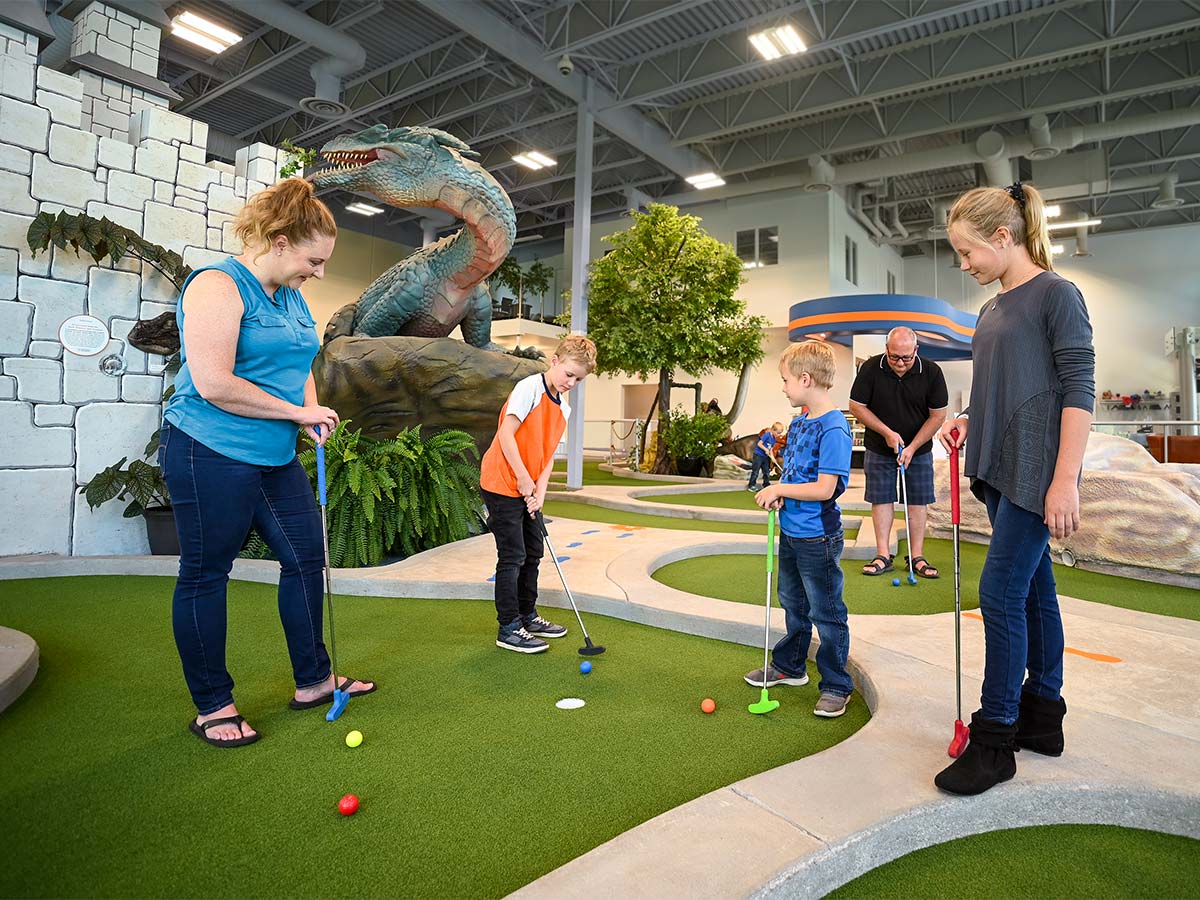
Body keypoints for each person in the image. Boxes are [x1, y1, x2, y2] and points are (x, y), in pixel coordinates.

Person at [161, 178, 376, 748]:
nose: (320, 273)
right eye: (315, 260)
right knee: (206, 575)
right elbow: (213, 383)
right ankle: (213, 705)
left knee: (307, 559)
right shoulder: (216, 286)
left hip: (274, 458)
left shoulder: (291, 296)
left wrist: (308, 410)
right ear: (280, 242)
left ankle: (313, 680)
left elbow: (299, 359)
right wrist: (293, 412)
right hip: (208, 450)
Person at [935, 181, 1095, 796]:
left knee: (998, 594)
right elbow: (1001, 381)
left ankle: (996, 738)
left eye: (969, 251)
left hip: (1038, 471)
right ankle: (1043, 715)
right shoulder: (992, 308)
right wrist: (969, 418)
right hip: (1000, 464)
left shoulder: (1058, 294)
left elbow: (1078, 392)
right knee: (1033, 594)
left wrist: (1064, 482)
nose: (965, 264)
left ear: (1004, 236)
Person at [745, 341, 855, 718]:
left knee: (826, 611)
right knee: (794, 603)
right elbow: (796, 476)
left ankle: (837, 684)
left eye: (786, 380)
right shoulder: (799, 422)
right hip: (791, 530)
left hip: (818, 537)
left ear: (806, 379)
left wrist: (778, 488)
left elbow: (825, 488)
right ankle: (791, 666)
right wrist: (781, 495)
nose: (783, 386)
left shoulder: (835, 428)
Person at [479, 335, 598, 653]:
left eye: (579, 379)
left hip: (528, 487)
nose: (571, 382)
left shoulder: (565, 411)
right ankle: (508, 628)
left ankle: (527, 615)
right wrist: (522, 479)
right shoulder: (529, 388)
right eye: (569, 374)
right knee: (513, 555)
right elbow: (506, 434)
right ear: (555, 361)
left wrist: (539, 493)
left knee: (534, 552)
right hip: (502, 482)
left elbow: (546, 458)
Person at [849, 327, 948, 579]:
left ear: (916, 350)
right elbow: (857, 406)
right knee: (881, 498)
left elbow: (938, 416)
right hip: (879, 446)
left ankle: (917, 557)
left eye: (906, 357)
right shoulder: (871, 368)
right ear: (886, 350)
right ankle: (883, 554)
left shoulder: (932, 372)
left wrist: (913, 446)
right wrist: (886, 432)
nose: (900, 363)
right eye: (894, 357)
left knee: (917, 500)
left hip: (920, 447)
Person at [747, 422, 783, 491]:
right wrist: (765, 449)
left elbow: (771, 449)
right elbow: (759, 444)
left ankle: (766, 484)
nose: (779, 435)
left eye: (780, 433)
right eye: (778, 433)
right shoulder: (767, 435)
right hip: (758, 455)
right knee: (755, 471)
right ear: (773, 430)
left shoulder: (774, 439)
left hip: (765, 457)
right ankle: (751, 485)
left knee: (766, 471)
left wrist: (773, 457)